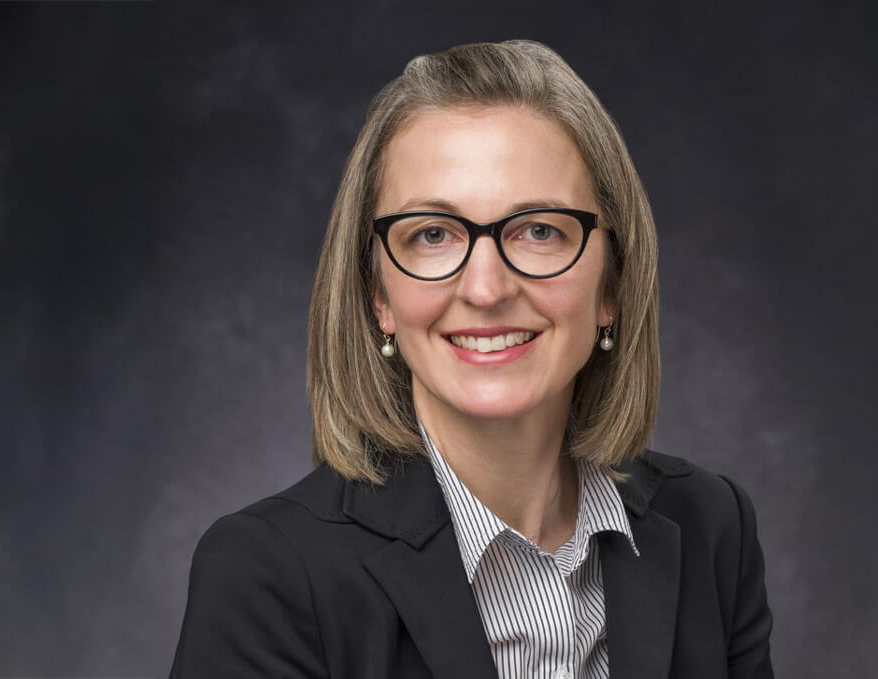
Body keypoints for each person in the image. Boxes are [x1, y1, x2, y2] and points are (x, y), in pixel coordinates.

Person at [170, 40, 774, 678]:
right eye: (432, 235)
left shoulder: (711, 528)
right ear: (379, 297)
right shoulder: (268, 575)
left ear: (613, 285)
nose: (486, 290)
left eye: (539, 230)